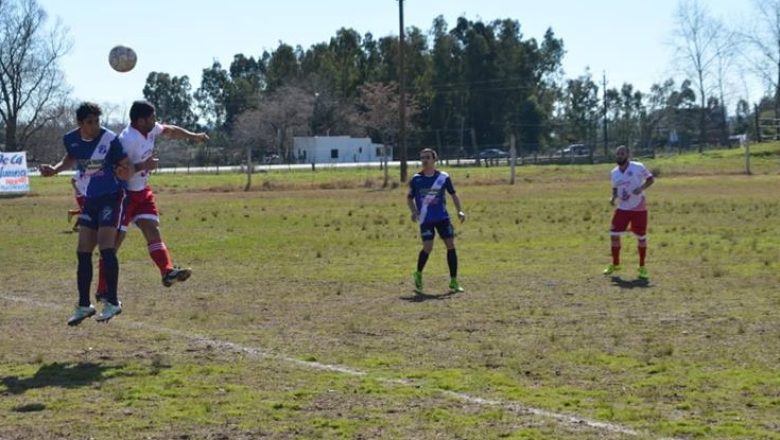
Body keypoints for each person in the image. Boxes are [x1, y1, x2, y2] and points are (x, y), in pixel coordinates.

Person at [94, 100, 208, 301]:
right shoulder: (128, 140)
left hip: (142, 192)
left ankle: (167, 271)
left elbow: (170, 130)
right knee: (112, 245)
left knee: (152, 230)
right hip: (123, 195)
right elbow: (120, 172)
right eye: (152, 117)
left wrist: (193, 136)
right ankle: (103, 290)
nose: (156, 121)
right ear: (140, 121)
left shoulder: (149, 129)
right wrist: (144, 165)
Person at [39, 102, 131, 325]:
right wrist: (55, 169)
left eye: (97, 121)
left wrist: (122, 171)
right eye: (90, 122)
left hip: (111, 196)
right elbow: (71, 157)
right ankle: (83, 305)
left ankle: (113, 302)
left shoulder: (110, 140)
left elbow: (126, 166)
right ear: (80, 124)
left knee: (106, 247)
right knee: (82, 251)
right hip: (90, 200)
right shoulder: (71, 139)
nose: (95, 126)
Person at [407, 148, 466, 294]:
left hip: (442, 218)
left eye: (427, 157)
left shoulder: (443, 177)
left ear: (434, 160)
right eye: (422, 158)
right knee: (428, 247)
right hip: (426, 219)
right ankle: (418, 274)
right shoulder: (416, 179)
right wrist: (414, 212)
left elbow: (453, 194)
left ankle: (453, 281)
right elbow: (409, 198)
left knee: (450, 245)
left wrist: (459, 210)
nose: (424, 160)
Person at [603, 145, 655, 280]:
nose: (619, 156)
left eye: (622, 153)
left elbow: (651, 179)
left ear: (628, 155)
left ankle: (642, 267)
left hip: (639, 207)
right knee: (614, 234)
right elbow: (615, 188)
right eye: (617, 154)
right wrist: (613, 197)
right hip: (622, 208)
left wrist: (641, 188)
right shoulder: (614, 172)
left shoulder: (638, 166)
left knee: (641, 237)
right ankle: (615, 264)